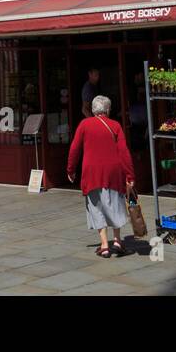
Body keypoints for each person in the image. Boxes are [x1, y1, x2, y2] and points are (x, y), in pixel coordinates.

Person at [66, 94, 136, 258]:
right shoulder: (115, 125)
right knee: (115, 204)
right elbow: (124, 152)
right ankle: (117, 240)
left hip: (92, 172)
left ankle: (104, 245)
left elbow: (74, 149)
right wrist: (130, 175)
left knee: (96, 206)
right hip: (113, 172)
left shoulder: (84, 124)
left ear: (93, 109)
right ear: (108, 109)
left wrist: (70, 169)